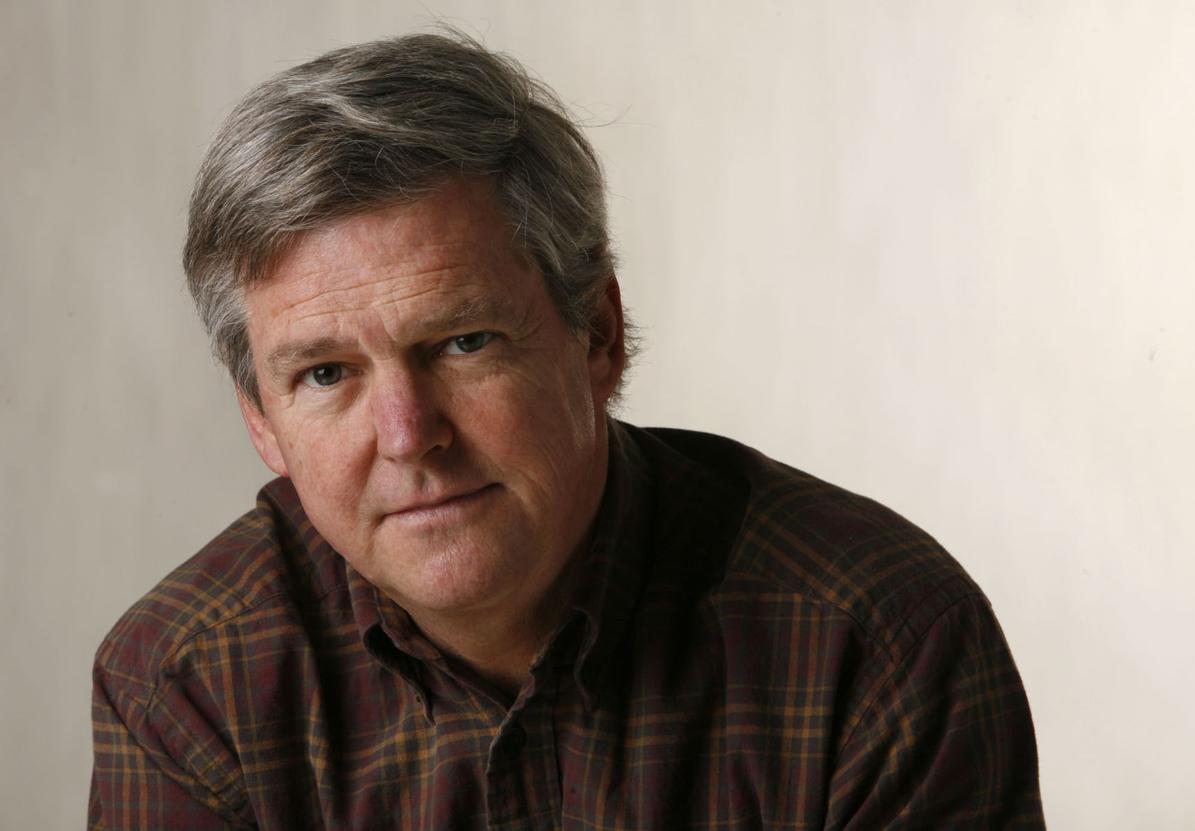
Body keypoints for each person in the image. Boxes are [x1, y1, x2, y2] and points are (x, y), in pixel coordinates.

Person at [89, 32, 1045, 829]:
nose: (408, 434)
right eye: (326, 374)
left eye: (462, 342)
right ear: (261, 420)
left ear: (597, 333)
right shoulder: (187, 685)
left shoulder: (875, 639)